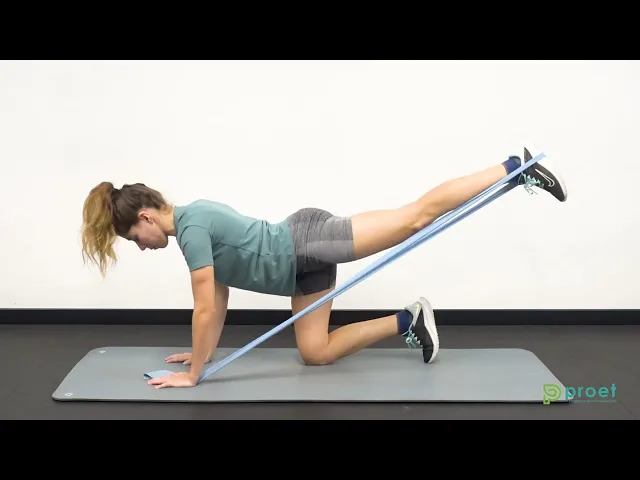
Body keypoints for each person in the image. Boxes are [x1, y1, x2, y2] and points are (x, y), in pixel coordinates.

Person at [80, 145, 567, 389]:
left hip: (307, 241)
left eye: (133, 238)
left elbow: (204, 307)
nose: (140, 247)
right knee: (315, 352)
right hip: (300, 270)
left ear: (145, 218)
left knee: (414, 218)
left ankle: (513, 167)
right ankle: (408, 320)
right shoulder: (192, 226)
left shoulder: (191, 229)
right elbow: (219, 301)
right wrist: (198, 353)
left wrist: (194, 374)